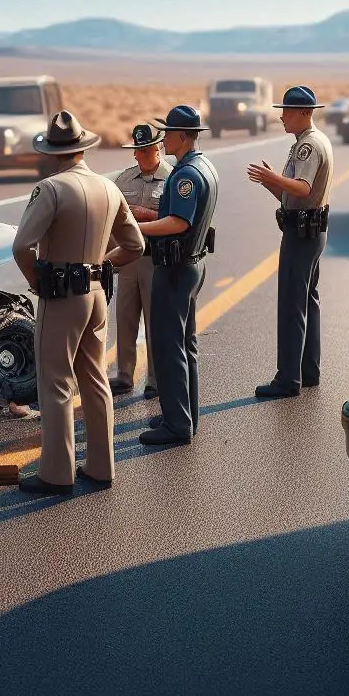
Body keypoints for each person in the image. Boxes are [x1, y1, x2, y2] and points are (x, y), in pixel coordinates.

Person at [10, 111, 147, 494]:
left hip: (61, 296)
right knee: (95, 377)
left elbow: (23, 245)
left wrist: (37, 280)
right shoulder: (109, 188)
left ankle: (56, 472)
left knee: (55, 382)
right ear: (82, 149)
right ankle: (102, 466)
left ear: (54, 152)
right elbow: (135, 245)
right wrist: (103, 264)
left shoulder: (51, 189)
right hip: (97, 293)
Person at [133, 105, 219, 447]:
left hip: (175, 267)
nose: (164, 138)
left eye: (168, 133)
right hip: (191, 263)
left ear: (183, 136)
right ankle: (183, 414)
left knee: (169, 346)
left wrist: (138, 228)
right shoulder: (203, 166)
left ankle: (177, 425)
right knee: (185, 344)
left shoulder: (185, 175)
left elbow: (178, 223)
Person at [247, 85, 333, 398]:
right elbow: (290, 195)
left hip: (302, 234)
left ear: (303, 113)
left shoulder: (308, 145)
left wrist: (273, 178)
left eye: (286, 111)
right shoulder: (310, 141)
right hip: (309, 230)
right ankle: (308, 371)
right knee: (309, 300)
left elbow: (301, 187)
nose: (282, 117)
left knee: (292, 306)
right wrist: (271, 182)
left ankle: (288, 379)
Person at [107, 122, 170, 399]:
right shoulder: (123, 180)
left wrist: (146, 214)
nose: (140, 155)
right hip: (129, 259)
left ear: (158, 148)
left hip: (155, 259)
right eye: (137, 150)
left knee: (155, 319)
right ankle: (124, 375)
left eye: (145, 150)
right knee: (125, 317)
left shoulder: (173, 178)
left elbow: (177, 220)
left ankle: (156, 378)